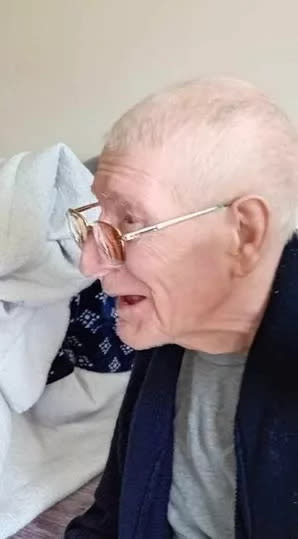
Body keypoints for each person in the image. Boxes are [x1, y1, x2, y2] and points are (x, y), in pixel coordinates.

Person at [64, 77, 298, 538]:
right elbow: (108, 521)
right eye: (97, 220)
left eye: (130, 220)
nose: (90, 261)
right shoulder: (169, 334)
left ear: (244, 234)